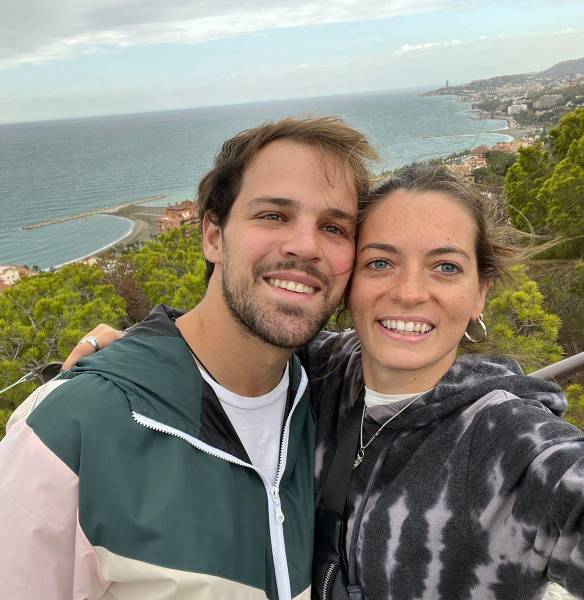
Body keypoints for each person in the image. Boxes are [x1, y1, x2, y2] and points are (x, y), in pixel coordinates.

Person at [66, 164, 584, 600]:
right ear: (349, 283)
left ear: (480, 292)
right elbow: (232, 338)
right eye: (381, 262)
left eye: (445, 268)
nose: (410, 292)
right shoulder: (315, 369)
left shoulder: (513, 445)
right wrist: (148, 347)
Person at [0, 116, 377, 600]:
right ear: (213, 237)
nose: (306, 246)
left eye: (334, 227)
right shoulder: (75, 427)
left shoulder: (332, 401)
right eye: (273, 215)